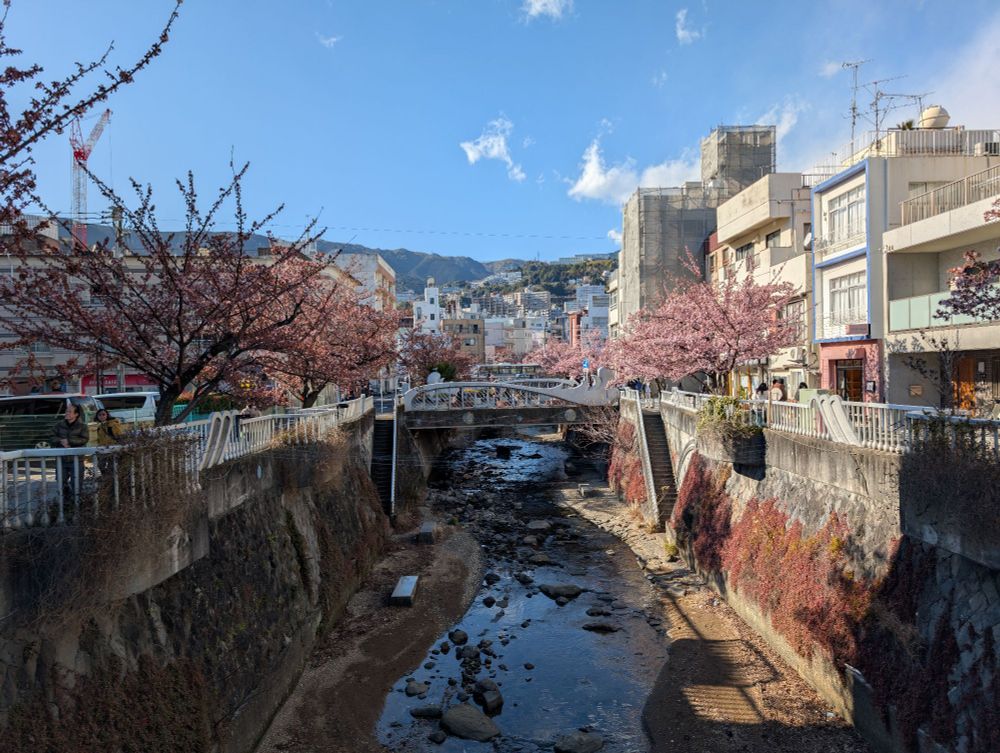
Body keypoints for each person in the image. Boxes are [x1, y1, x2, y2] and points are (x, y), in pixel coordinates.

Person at [53, 403, 89, 496]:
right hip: (62, 458)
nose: (67, 413)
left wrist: (69, 441)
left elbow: (84, 439)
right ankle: (65, 503)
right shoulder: (58, 425)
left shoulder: (82, 426)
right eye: (66, 411)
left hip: (77, 459)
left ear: (76, 414)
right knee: (61, 482)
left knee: (77, 484)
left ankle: (77, 505)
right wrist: (61, 441)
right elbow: (51, 437)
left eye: (69, 411)